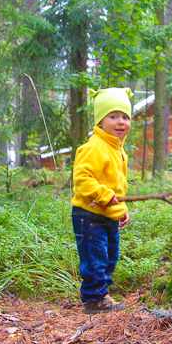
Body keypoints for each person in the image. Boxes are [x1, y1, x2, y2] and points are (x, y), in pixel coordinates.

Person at [71, 87, 133, 314]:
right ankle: (94, 298)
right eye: (113, 116)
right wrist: (105, 196)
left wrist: (121, 207)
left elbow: (117, 185)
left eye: (125, 117)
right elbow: (82, 179)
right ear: (100, 121)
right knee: (94, 256)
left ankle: (102, 293)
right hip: (89, 213)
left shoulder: (118, 150)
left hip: (108, 213)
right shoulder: (95, 147)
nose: (120, 122)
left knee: (110, 256)